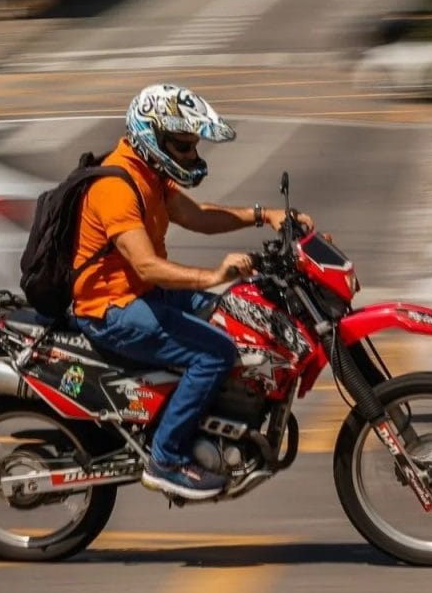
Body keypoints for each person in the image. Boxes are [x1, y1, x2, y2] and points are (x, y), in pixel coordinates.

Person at [70, 83, 313, 500]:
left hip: (143, 294)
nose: (191, 155)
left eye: (192, 145)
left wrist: (265, 215)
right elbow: (147, 265)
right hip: (112, 310)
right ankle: (166, 458)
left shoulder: (148, 172)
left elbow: (196, 216)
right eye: (183, 146)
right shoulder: (116, 186)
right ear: (152, 135)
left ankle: (212, 417)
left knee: (236, 309)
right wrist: (213, 274)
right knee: (213, 352)